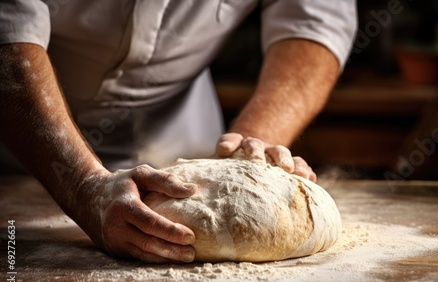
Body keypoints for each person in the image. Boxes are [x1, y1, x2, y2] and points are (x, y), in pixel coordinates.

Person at [0, 0, 357, 263]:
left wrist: (250, 151)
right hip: (26, 149)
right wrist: (81, 186)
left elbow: (315, 21)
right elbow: (8, 30)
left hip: (186, 141)